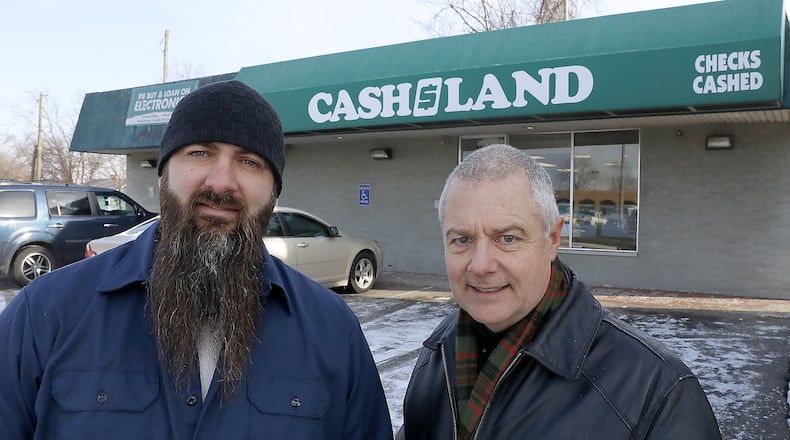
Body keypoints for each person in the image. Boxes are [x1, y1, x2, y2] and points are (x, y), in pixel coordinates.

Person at [0, 80, 393, 439]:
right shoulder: (45, 313)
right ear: (163, 175)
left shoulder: (332, 330)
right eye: (200, 152)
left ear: (273, 191)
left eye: (250, 161)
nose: (221, 182)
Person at [397, 144, 721, 439]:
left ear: (553, 240)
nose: (481, 265)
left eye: (507, 238)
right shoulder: (437, 355)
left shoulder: (657, 394)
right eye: (462, 240)